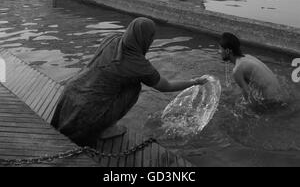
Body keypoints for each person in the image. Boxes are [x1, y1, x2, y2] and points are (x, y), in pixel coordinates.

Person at [51, 18, 208, 146]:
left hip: (71, 92)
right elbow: (165, 86)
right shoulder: (138, 64)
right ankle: (104, 129)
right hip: (88, 109)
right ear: (146, 39)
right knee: (134, 87)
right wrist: (194, 81)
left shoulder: (111, 38)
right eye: (151, 37)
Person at [220, 33, 281, 103]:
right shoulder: (247, 57)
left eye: (220, 49)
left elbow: (248, 98)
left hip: (271, 100)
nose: (219, 52)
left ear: (227, 51)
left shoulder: (237, 70)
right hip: (278, 93)